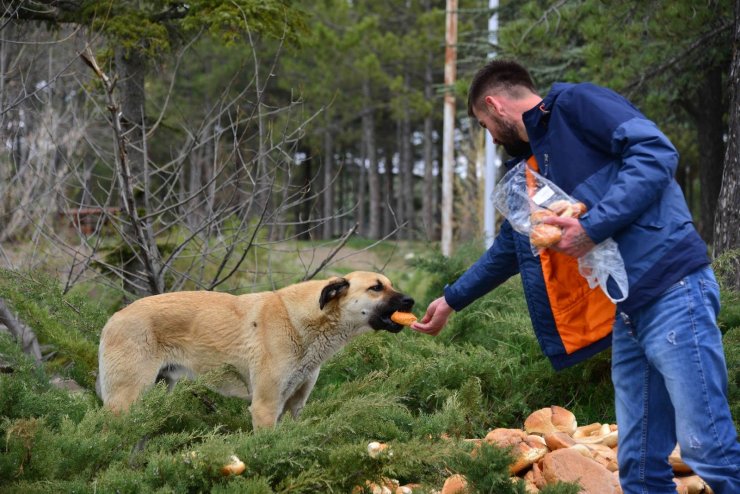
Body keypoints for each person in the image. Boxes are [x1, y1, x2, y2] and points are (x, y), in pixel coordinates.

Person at [411, 59, 740, 493]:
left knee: (706, 448)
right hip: (627, 315)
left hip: (674, 290)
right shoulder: (530, 170)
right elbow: (512, 247)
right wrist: (451, 299)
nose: (490, 136)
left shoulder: (577, 103)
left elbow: (656, 152)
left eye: (484, 123)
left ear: (494, 105)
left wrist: (591, 226)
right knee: (638, 464)